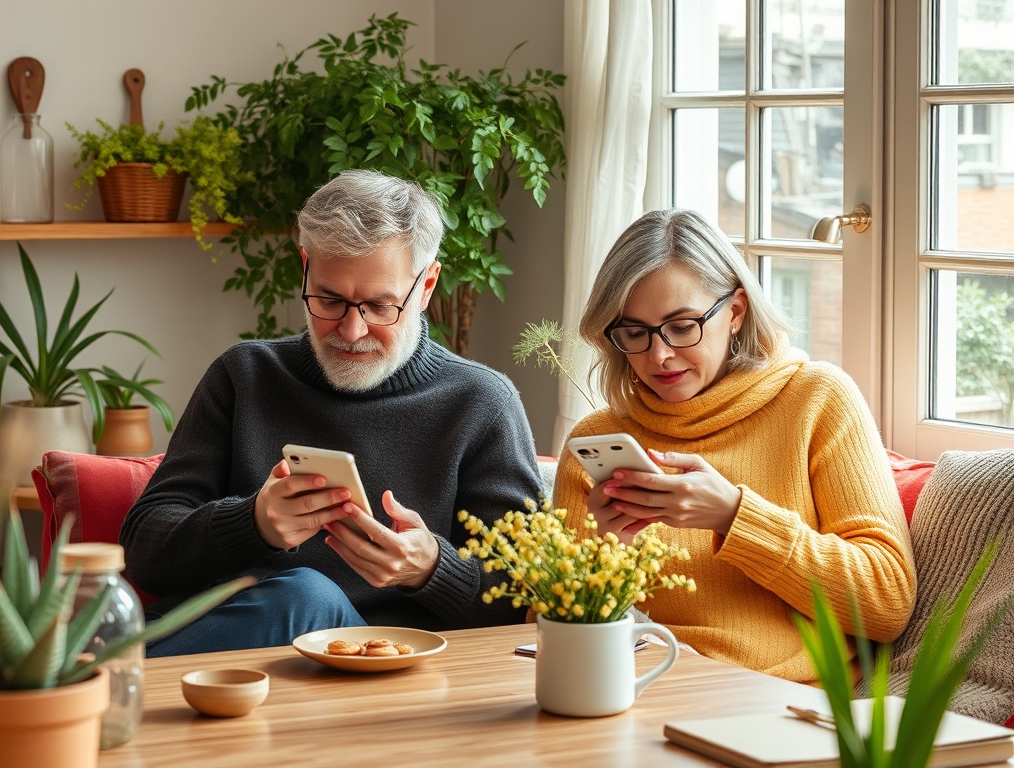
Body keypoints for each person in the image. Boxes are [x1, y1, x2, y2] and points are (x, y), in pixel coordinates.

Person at [121, 170, 541, 656]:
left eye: (380, 306)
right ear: (306, 269)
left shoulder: (481, 403)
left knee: (309, 596)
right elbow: (143, 554)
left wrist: (430, 569)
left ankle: (94, 688)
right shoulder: (245, 376)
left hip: (385, 673)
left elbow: (522, 600)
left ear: (426, 286)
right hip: (237, 655)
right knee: (302, 597)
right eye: (329, 300)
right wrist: (252, 524)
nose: (352, 330)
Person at [551, 208, 916, 684]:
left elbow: (886, 602)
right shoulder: (595, 441)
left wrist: (735, 517)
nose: (659, 355)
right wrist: (606, 552)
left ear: (736, 313)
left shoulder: (817, 400)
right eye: (634, 333)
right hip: (640, 690)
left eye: (683, 326)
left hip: (778, 700)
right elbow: (546, 636)